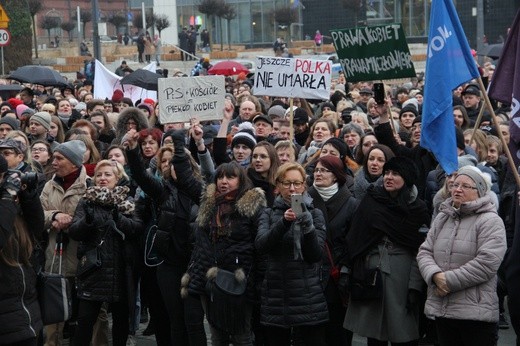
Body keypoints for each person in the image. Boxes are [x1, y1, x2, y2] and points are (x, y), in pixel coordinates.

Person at [174, 128, 267, 345]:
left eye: (230, 177)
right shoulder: (210, 202)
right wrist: (180, 142)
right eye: (221, 177)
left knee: (242, 336)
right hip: (210, 280)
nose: (224, 181)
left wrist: (258, 283)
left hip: (238, 281)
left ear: (241, 180)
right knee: (217, 336)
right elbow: (185, 178)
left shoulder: (251, 206)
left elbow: (260, 248)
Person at [344, 156, 430, 345]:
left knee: (404, 333)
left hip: (403, 275)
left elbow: (422, 248)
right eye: (387, 173)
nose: (389, 177)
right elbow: (356, 236)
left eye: (396, 174)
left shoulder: (418, 208)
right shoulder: (372, 199)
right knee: (374, 335)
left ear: (407, 178)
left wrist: (415, 285)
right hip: (372, 273)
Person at [417, 166, 507, 346]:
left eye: (465, 186)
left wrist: (446, 281)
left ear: (479, 191)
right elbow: (425, 251)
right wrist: (434, 275)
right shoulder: (444, 216)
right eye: (455, 185)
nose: (457, 189)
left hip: (476, 317)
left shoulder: (491, 221)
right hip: (444, 311)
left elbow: (486, 263)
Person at [69, 160, 142, 346]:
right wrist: (88, 221)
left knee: (120, 322)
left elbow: (136, 228)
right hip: (94, 270)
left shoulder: (128, 201)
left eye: (108, 174)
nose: (102, 178)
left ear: (117, 178)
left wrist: (118, 218)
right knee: (85, 321)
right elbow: (75, 231)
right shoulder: (87, 200)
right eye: (99, 175)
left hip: (120, 270)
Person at [256, 162, 328, 345]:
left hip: (307, 294)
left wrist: (308, 227)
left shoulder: (316, 213)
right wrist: (283, 223)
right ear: (278, 186)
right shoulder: (268, 213)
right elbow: (261, 245)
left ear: (304, 185)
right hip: (276, 295)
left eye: (297, 183)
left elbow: (316, 255)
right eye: (287, 183)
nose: (292, 188)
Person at [40, 140, 90, 345]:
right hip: (54, 258)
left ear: (74, 163)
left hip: (83, 261)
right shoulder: (48, 185)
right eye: (54, 157)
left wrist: (72, 222)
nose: (54, 162)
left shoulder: (91, 185)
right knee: (53, 312)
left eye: (60, 158)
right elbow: (37, 215)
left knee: (88, 317)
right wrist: (54, 216)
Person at [0, 155, 44, 346]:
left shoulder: (10, 206)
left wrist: (30, 197)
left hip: (27, 312)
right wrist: (7, 195)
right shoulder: (6, 203)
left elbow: (36, 229)